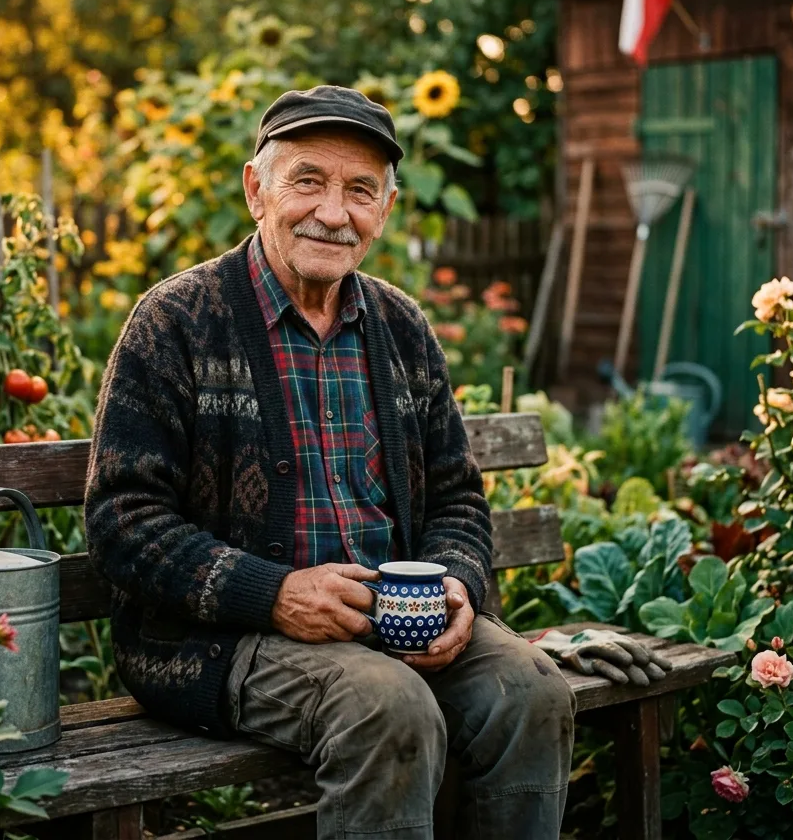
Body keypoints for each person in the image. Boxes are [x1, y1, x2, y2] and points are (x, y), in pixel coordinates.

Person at [85, 85, 575, 840]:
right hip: (222, 641)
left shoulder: (401, 328)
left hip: (392, 625)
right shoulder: (177, 322)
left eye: (359, 191)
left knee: (533, 689)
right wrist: (272, 591)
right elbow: (122, 519)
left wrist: (456, 584)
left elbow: (458, 498)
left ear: (384, 210)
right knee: (387, 705)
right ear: (257, 189)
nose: (333, 212)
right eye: (307, 180)